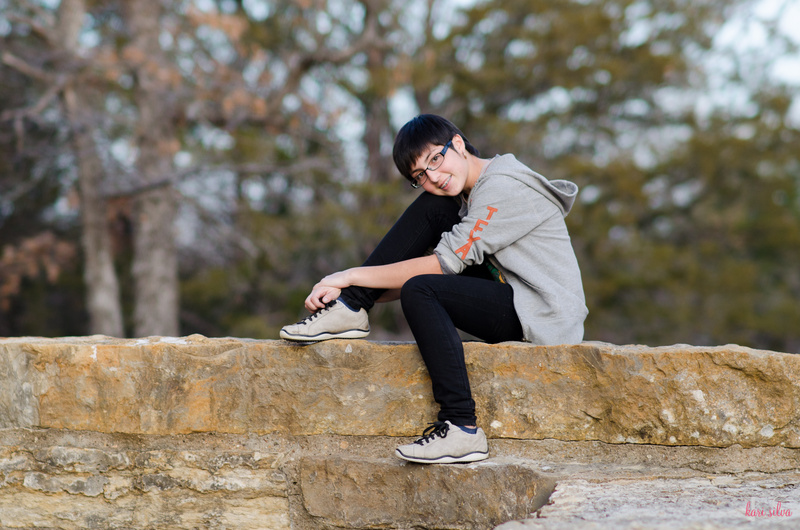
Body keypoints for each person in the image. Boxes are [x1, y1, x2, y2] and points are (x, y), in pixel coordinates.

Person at [280, 114, 588, 464]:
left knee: (421, 290)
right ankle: (350, 308)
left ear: (458, 144)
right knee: (436, 209)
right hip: (513, 295)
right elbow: (437, 267)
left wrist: (348, 275)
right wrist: (352, 291)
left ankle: (462, 428)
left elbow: (442, 267)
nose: (434, 177)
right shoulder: (468, 193)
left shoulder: (503, 187)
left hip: (543, 314)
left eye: (435, 160)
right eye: (420, 176)